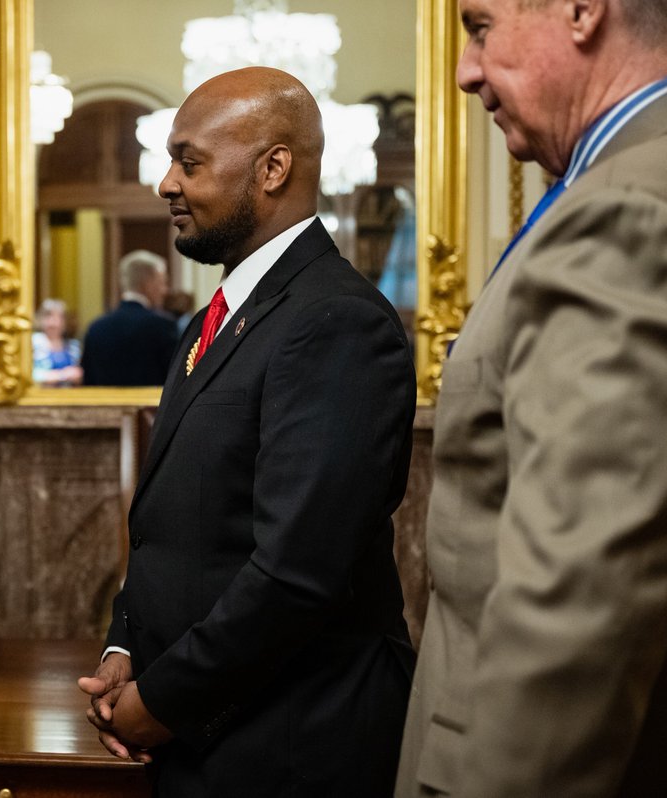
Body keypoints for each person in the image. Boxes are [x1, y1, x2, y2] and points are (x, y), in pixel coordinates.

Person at [77, 66, 417, 796]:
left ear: (272, 169)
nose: (166, 183)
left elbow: (298, 573)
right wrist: (125, 646)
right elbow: (178, 527)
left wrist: (160, 705)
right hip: (208, 729)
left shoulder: (337, 321)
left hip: (292, 743)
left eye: (189, 161)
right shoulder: (215, 317)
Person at [396, 1, 667, 795]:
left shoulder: (632, 210)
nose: (464, 70)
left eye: (480, 25)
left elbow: (584, 601)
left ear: (582, 10)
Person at [81, 250, 179, 386]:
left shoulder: (96, 328)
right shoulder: (162, 326)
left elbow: (88, 382)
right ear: (148, 284)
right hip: (151, 406)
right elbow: (174, 382)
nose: (165, 290)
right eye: (162, 282)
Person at [32, 297, 83, 386]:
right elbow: (29, 375)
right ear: (41, 319)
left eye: (59, 317)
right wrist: (62, 375)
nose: (54, 322)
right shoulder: (33, 343)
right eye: (49, 316)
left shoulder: (73, 346)